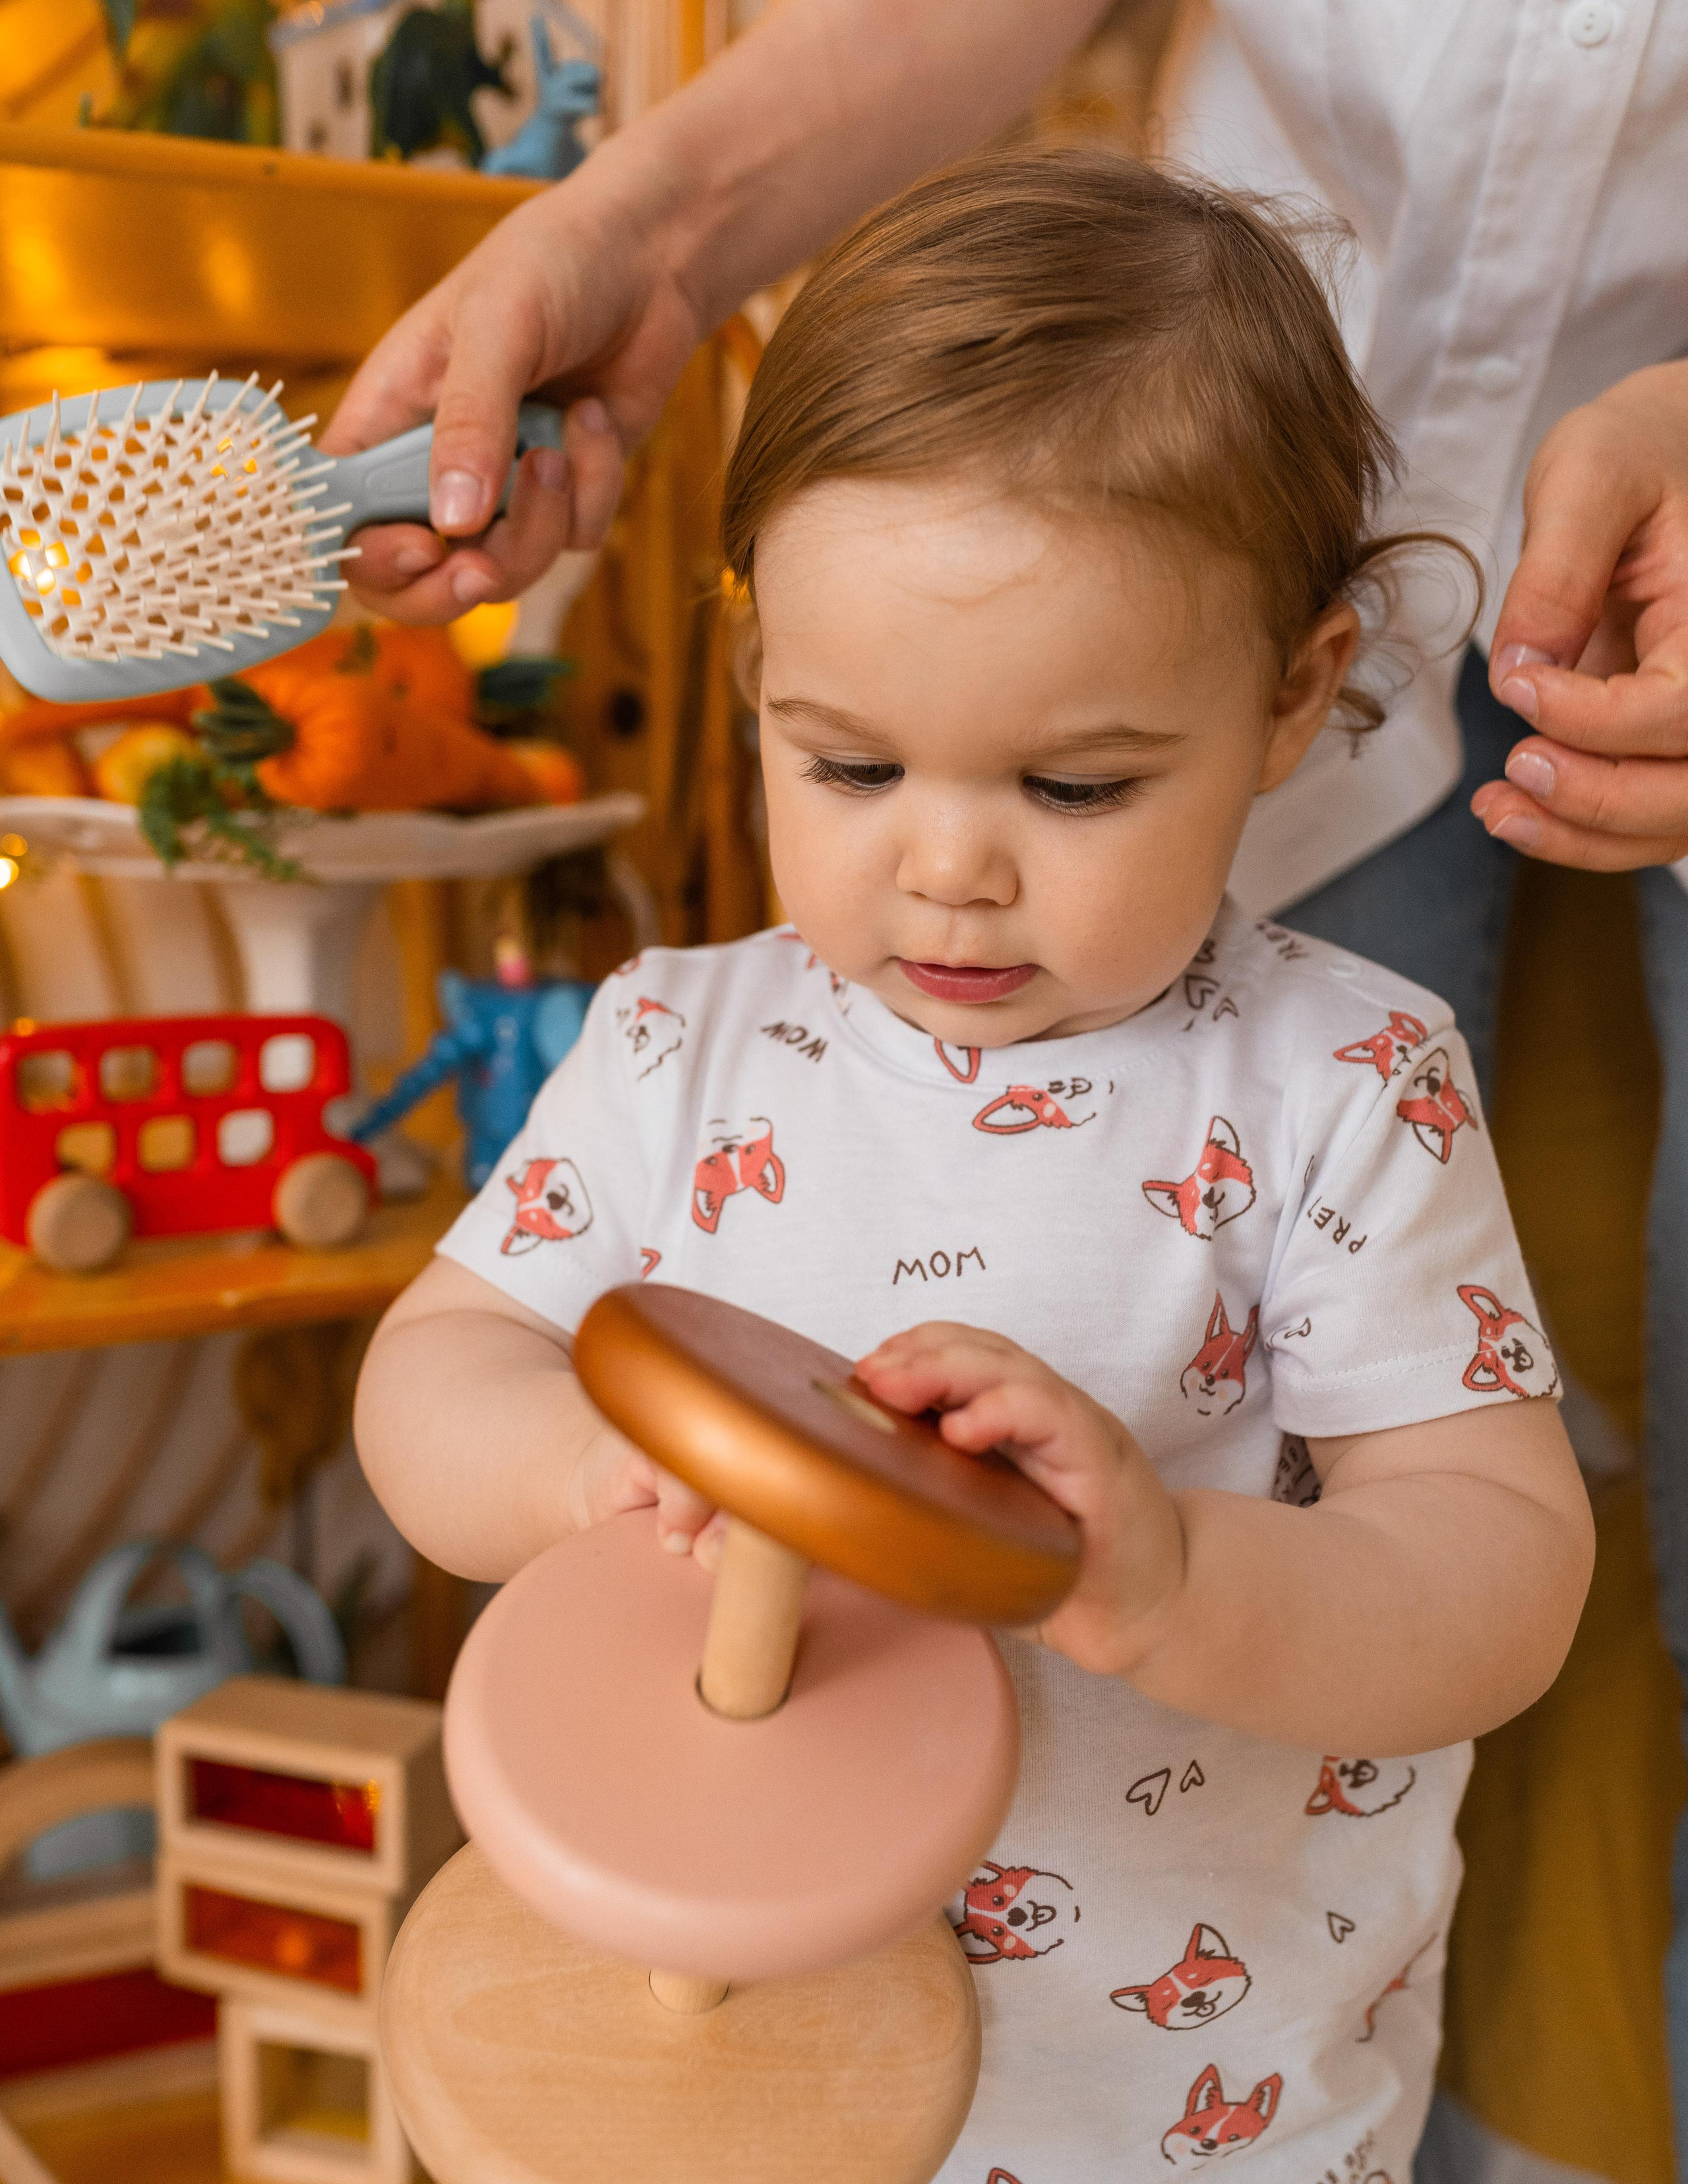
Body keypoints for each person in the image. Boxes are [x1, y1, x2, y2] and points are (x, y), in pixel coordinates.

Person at [324, 10, 1688, 2146]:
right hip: (730, 2066)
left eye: (1075, 780)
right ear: (765, 660)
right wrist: (585, 1474)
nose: (946, 864)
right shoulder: (683, 1043)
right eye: (846, 761)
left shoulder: (1344, 1084)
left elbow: (1497, 1577)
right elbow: (434, 1377)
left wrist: (1163, 1576)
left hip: (1169, 2109)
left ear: (1288, 694)